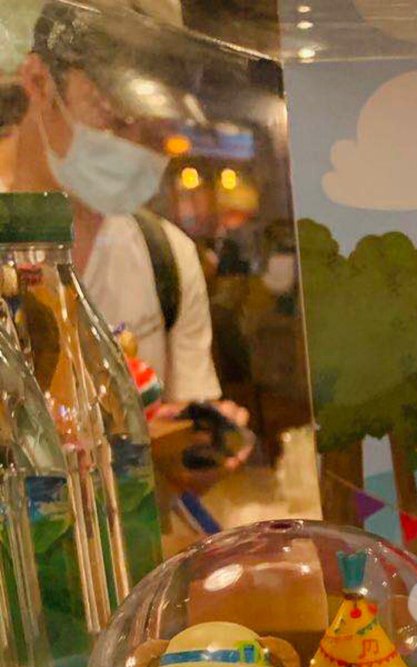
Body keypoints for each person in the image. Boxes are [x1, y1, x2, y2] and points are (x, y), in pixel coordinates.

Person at [8, 1, 250, 494]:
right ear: (38, 81)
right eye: (116, 119)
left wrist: (192, 450)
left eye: (157, 130)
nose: (135, 148)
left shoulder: (167, 255)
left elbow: (177, 468)